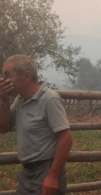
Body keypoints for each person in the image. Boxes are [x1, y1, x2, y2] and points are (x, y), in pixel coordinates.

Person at [0, 55, 73, 195]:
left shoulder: (49, 99)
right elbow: (4, 128)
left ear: (26, 76)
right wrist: (3, 101)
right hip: (27, 172)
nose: (3, 80)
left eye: (7, 75)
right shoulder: (20, 100)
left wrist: (52, 177)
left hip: (46, 170)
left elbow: (66, 138)